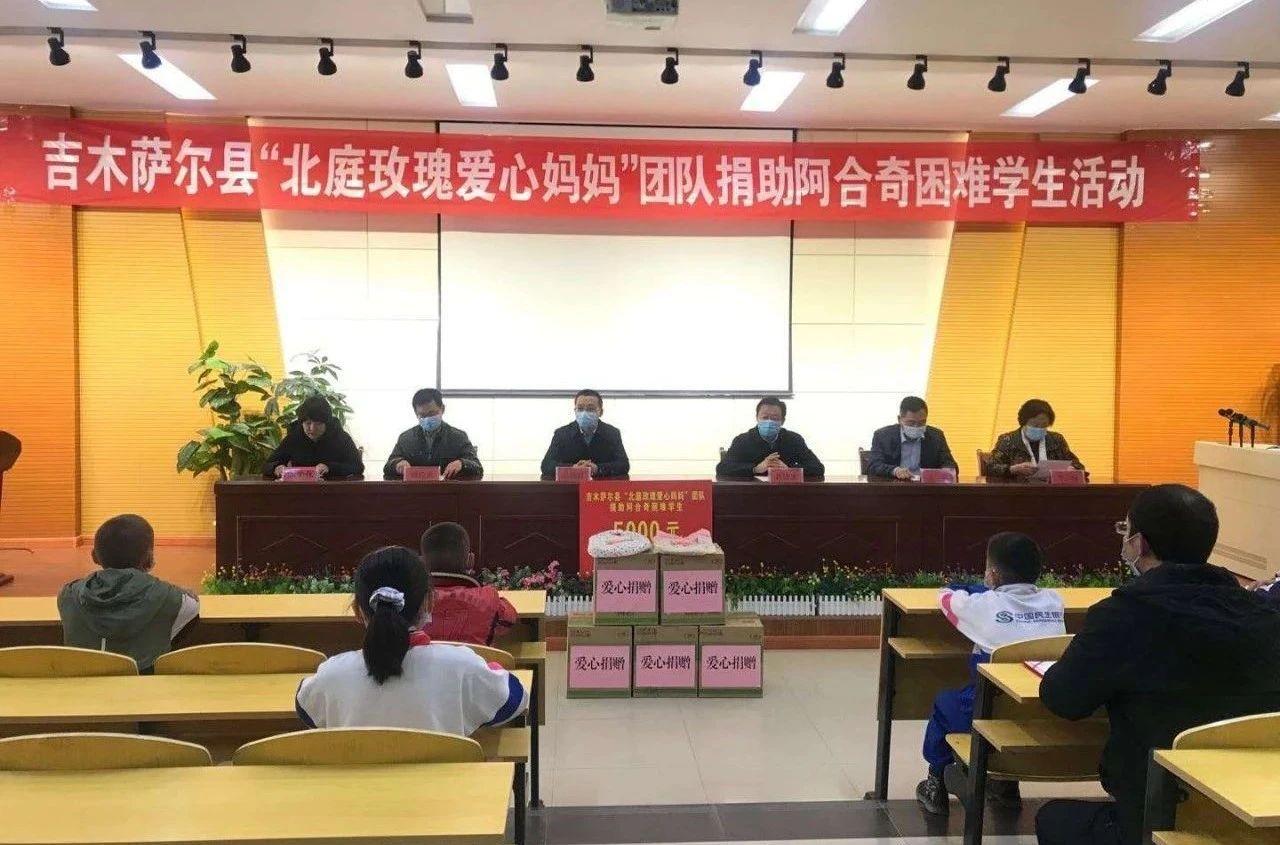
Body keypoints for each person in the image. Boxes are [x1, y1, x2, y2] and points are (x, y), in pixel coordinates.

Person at [1036, 484, 1280, 845]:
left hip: (1158, 814)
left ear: (1139, 544)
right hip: (1252, 815)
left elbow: (1063, 699)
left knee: (1052, 819)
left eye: (1125, 530)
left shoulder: (1123, 614)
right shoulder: (1264, 614)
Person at [295, 546, 528, 736]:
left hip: (358, 783)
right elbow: (515, 701)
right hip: (441, 783)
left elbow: (306, 707)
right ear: (429, 603)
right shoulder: (462, 666)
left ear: (357, 611)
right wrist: (490, 668)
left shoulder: (332, 674)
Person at [916, 532, 1065, 816]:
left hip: (986, 710)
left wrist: (981, 589)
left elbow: (946, 596)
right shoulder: (1054, 602)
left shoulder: (983, 606)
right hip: (1041, 712)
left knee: (945, 703)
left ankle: (935, 781)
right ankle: (1006, 787)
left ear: (993, 574)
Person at [57, 514, 200, 672]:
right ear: (149, 558)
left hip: (83, 686)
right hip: (144, 687)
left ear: (94, 556)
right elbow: (192, 606)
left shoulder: (67, 596)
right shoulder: (172, 599)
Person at [420, 521, 518, 646]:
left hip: (419, 659)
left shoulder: (408, 599)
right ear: (470, 560)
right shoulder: (488, 598)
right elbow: (509, 620)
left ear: (421, 562)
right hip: (474, 659)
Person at [384, 388, 483, 480]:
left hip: (448, 490)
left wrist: (462, 463)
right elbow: (388, 466)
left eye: (432, 414)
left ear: (442, 409)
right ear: (416, 413)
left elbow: (477, 466)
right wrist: (397, 464)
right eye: (423, 415)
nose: (427, 419)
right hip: (414, 490)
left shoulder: (458, 437)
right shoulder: (406, 438)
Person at [715, 397, 824, 480]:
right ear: (757, 418)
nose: (769, 422)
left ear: (782, 421)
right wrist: (756, 468)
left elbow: (818, 468)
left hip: (786, 493)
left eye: (775, 418)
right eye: (765, 417)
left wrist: (788, 469)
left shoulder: (794, 439)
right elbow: (722, 468)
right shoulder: (742, 440)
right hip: (750, 494)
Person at [262, 395, 364, 479]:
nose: (312, 428)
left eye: (318, 424)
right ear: (301, 423)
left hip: (333, 491)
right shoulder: (294, 437)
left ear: (327, 423)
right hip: (301, 491)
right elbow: (267, 465)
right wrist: (276, 467)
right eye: (308, 423)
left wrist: (329, 467)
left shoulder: (341, 437)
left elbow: (357, 467)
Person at [540, 389, 630, 480]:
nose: (584, 413)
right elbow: (546, 465)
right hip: (571, 485)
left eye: (590, 409)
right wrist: (572, 468)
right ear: (575, 410)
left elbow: (623, 465)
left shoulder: (612, 433)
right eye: (580, 409)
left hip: (600, 485)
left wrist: (597, 468)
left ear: (601, 412)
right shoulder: (562, 434)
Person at [987, 398, 1086, 480]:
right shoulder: (1008, 440)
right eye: (1035, 425)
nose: (1039, 429)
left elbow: (1078, 465)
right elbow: (991, 467)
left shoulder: (1056, 439)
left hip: (1052, 491)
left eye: (1044, 426)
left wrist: (1072, 469)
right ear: (1023, 422)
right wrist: (1013, 469)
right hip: (1019, 492)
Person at [866, 396, 959, 480]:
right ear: (899, 419)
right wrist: (894, 471)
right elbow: (873, 465)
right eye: (911, 423)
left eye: (922, 422)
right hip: (894, 486)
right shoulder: (883, 436)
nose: (916, 427)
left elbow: (950, 464)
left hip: (926, 488)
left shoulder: (936, 436)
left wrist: (948, 470)